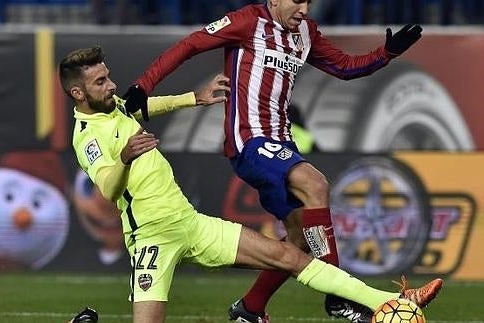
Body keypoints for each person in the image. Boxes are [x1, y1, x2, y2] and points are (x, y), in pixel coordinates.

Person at [59, 46, 441, 323]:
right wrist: (125, 156)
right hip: (151, 238)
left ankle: (391, 302)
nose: (111, 85)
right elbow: (107, 186)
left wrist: (195, 98)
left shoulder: (117, 107)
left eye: (108, 76)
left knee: (291, 256)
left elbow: (147, 105)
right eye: (101, 81)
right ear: (79, 94)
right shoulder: (86, 136)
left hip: (192, 224)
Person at [122, 1, 423, 322]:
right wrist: (144, 84)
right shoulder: (246, 22)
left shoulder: (306, 32)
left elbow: (345, 67)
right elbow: (191, 44)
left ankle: (250, 308)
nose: (303, 8)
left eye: (308, 1)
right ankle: (338, 298)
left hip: (282, 142)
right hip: (248, 141)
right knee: (315, 183)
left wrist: (386, 53)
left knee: (301, 236)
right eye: (296, 0)